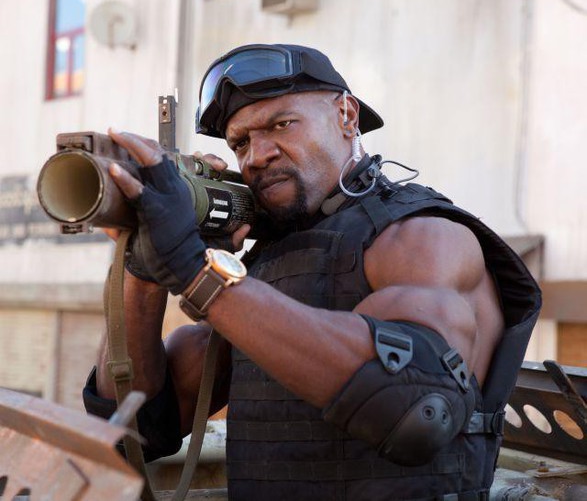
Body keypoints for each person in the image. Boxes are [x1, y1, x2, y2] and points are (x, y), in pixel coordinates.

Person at [83, 44, 541, 501]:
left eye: (281, 124)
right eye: (240, 143)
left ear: (346, 116)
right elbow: (136, 429)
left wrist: (194, 270)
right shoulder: (269, 263)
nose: (257, 155)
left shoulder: (422, 237)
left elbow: (414, 409)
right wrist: (142, 267)